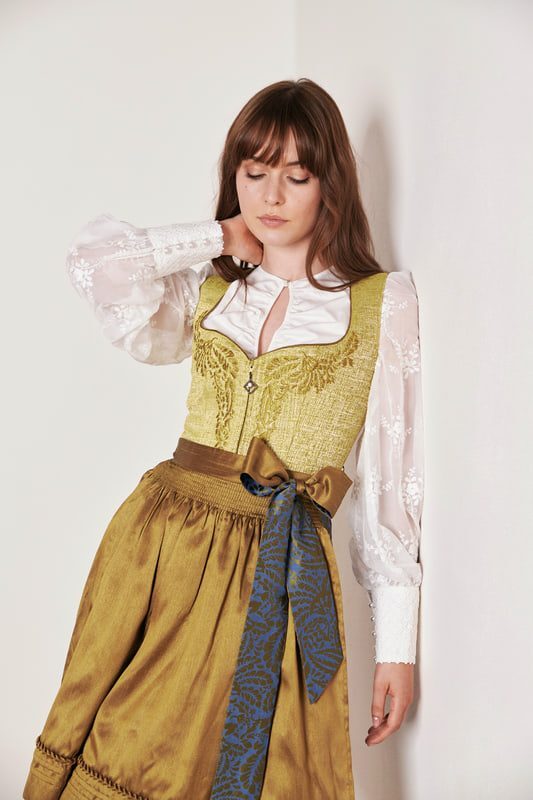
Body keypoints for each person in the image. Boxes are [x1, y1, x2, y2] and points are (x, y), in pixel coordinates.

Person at [23, 77, 424, 800]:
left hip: (279, 568)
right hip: (161, 548)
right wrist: (219, 237)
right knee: (123, 741)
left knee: (248, 765)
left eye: (296, 176)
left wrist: (396, 649)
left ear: (330, 183)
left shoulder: (379, 304)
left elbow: (391, 491)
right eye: (254, 172)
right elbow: (95, 265)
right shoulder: (210, 286)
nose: (271, 197)